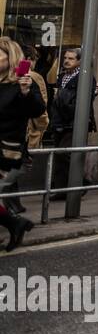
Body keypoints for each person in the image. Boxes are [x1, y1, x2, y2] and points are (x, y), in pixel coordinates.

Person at [0, 37, 44, 251]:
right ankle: (15, 223)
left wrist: (26, 93)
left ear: (11, 58)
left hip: (7, 151)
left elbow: (37, 111)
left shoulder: (23, 82)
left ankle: (15, 222)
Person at [47, 47, 98, 200]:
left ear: (79, 61)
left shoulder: (85, 78)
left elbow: (82, 103)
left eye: (71, 58)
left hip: (74, 122)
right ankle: (61, 190)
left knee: (63, 153)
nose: (66, 61)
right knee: (58, 155)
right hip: (59, 121)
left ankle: (80, 182)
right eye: (65, 57)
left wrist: (60, 98)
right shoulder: (62, 76)